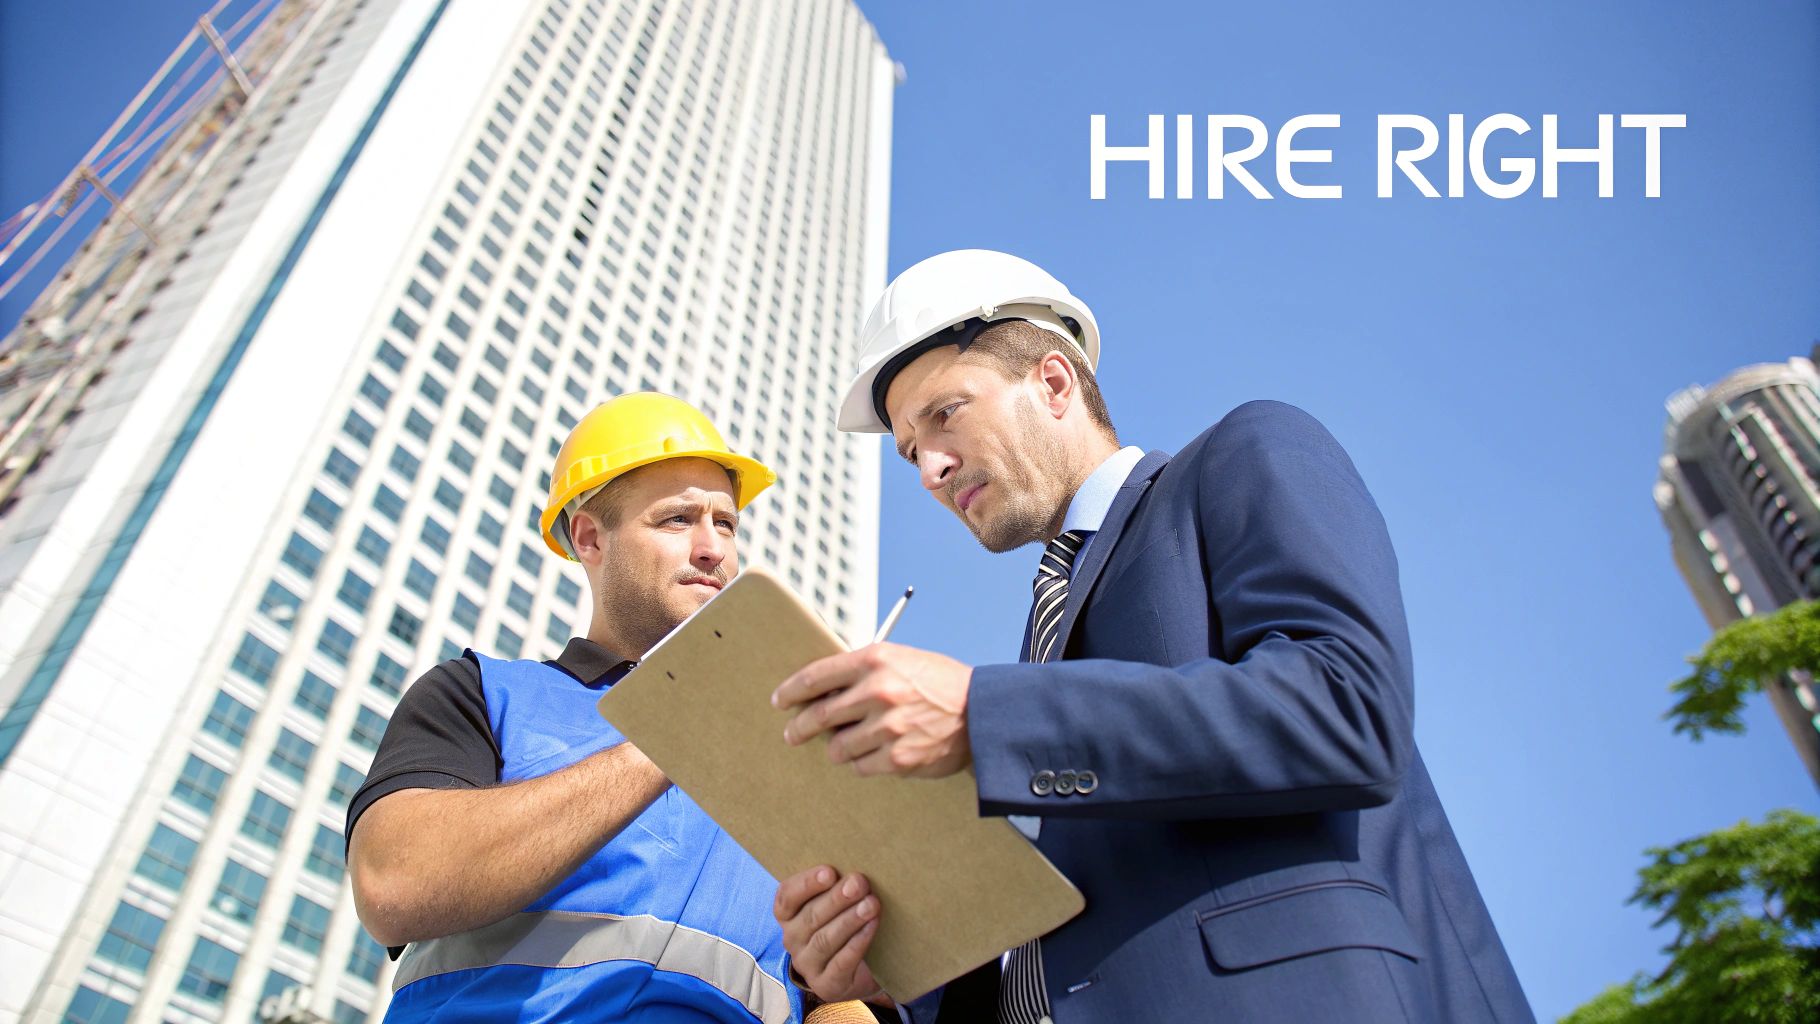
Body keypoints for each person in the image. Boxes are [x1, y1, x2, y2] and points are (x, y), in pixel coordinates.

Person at [769, 250, 1535, 1023]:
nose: (929, 468)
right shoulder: (1040, 655)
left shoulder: (1245, 453)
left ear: (1054, 381)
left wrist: (981, 715)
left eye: (944, 415)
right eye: (908, 452)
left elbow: (1348, 707)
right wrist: (897, 969)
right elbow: (1059, 949)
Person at [347, 392, 806, 1023]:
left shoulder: (786, 762)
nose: (714, 550)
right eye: (678, 520)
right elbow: (396, 882)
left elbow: (823, 980)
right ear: (590, 537)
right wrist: (681, 729)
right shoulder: (482, 692)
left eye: (725, 524)